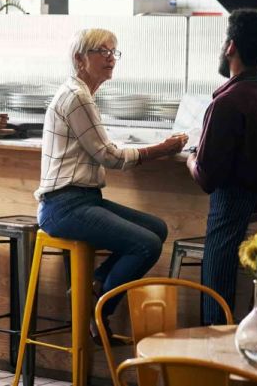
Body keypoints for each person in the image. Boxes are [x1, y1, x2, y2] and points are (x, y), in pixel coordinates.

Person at [35, 28, 188, 342]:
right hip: (63, 205)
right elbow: (108, 156)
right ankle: (99, 311)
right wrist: (160, 149)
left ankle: (96, 284)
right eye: (101, 51)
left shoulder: (82, 94)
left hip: (82, 199)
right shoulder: (77, 96)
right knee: (146, 244)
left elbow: (98, 146)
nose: (110, 58)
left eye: (113, 52)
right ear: (79, 58)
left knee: (157, 228)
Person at [186, 10, 257, 325]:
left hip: (233, 221)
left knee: (219, 312)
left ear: (231, 47)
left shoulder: (226, 103)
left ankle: (217, 364)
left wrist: (191, 158)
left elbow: (207, 178)